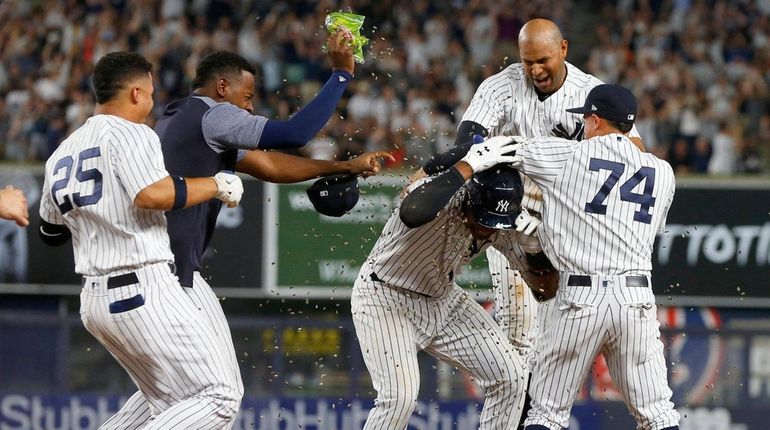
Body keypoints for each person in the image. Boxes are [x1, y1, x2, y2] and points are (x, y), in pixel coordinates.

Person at [130, 29, 391, 426]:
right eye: (247, 97)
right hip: (167, 273)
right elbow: (294, 135)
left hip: (166, 269)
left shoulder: (177, 116)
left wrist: (343, 166)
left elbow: (268, 165)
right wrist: (340, 74)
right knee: (219, 396)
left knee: (165, 394)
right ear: (222, 87)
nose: (249, 110)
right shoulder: (213, 115)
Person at [416, 19, 647, 425]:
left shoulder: (589, 94)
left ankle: (541, 416)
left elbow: (636, 149)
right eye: (527, 62)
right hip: (508, 215)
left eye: (543, 60)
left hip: (567, 223)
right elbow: (470, 139)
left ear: (564, 48)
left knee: (557, 334)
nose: (535, 70)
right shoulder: (501, 86)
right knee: (519, 334)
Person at [38, 52, 245, 429]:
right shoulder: (132, 132)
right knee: (219, 397)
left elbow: (49, 232)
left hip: (96, 302)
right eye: (149, 93)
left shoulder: (60, 154)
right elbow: (152, 195)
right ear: (135, 93)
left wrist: (97, 218)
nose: (151, 102)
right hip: (143, 288)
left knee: (169, 401)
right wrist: (216, 184)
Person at [353, 136, 557, 429]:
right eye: (484, 218)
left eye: (496, 221)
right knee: (399, 398)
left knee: (512, 376)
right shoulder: (440, 194)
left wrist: (536, 253)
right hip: (385, 298)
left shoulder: (506, 223)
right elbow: (412, 211)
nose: (488, 228)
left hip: (444, 299)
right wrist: (468, 164)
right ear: (470, 197)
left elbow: (545, 291)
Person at [509, 84, 680, 430]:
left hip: (581, 297)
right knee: (658, 414)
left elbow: (505, 150)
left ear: (596, 119)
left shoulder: (568, 155)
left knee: (547, 414)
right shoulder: (663, 172)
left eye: (586, 118)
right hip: (635, 299)